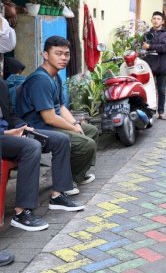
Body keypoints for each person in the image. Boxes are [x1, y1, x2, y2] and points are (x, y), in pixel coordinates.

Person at [0, 78, 85, 232]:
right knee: (32, 146)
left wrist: (22, 127)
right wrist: (6, 132)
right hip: (3, 135)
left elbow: (11, 115)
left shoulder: (2, 85)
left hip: (10, 133)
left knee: (60, 139)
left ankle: (57, 195)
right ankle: (21, 213)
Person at [18, 36, 97, 194]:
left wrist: (75, 123)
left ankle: (75, 175)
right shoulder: (40, 80)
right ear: (46, 55)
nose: (63, 58)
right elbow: (50, 117)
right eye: (58, 53)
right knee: (85, 144)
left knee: (90, 131)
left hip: (48, 125)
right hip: (36, 129)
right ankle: (64, 182)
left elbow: (60, 106)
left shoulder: (55, 76)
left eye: (66, 54)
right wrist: (73, 128)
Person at [143, 11, 166, 120]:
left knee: (161, 90)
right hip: (149, 66)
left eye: (158, 19)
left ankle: (161, 112)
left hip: (161, 66)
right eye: (154, 18)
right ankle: (148, 112)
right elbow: (143, 47)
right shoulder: (147, 34)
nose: (156, 20)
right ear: (151, 20)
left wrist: (150, 46)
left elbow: (165, 47)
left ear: (162, 21)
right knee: (148, 90)